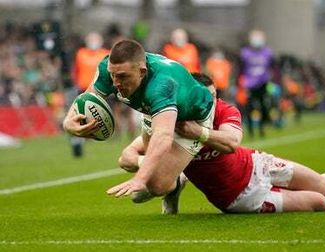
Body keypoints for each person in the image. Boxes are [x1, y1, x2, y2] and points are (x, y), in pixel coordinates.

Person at [116, 73, 325, 214]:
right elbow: (127, 156)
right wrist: (152, 163)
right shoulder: (172, 122)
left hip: (255, 164)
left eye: (213, 97)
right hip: (240, 198)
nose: (208, 104)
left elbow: (231, 142)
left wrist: (200, 133)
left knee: (323, 184)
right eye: (202, 99)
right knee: (320, 203)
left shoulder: (224, 110)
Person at [63, 39, 215, 200]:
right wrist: (67, 123)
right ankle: (165, 172)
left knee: (156, 186)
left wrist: (140, 178)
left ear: (142, 72)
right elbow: (88, 98)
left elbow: (163, 136)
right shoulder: (111, 68)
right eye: (112, 75)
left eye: (122, 77)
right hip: (155, 111)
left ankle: (177, 178)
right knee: (130, 168)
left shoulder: (162, 85)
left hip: (192, 119)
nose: (115, 83)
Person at [69, 32, 110, 157]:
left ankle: (113, 134)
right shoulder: (81, 53)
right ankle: (82, 138)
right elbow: (75, 70)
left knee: (107, 113)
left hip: (103, 88)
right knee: (84, 114)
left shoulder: (106, 53)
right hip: (83, 88)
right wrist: (75, 82)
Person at [239, 29, 274, 137]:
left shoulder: (267, 52)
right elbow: (240, 68)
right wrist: (240, 82)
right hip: (249, 84)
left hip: (263, 83)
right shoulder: (245, 53)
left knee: (263, 106)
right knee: (249, 108)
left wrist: (272, 80)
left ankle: (261, 128)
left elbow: (272, 67)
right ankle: (250, 131)